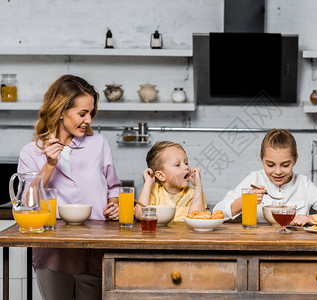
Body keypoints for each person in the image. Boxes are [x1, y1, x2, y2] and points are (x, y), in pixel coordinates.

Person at [18, 74, 121, 300]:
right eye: (82, 114)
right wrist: (49, 165)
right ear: (61, 111)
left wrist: (113, 204)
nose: (89, 120)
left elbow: (114, 187)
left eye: (91, 113)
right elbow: (28, 203)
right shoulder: (32, 152)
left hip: (95, 250)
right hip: (54, 254)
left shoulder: (99, 144)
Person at [214, 129, 317, 225]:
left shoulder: (303, 183)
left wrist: (312, 218)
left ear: (295, 160)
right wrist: (245, 200)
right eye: (270, 165)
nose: (277, 172)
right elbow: (218, 211)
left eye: (285, 165)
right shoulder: (254, 179)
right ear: (261, 159)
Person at [134, 141, 206, 221]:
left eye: (186, 163)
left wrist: (198, 187)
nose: (186, 167)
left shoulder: (194, 193)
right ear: (161, 175)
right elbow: (140, 215)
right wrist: (147, 183)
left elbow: (197, 218)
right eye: (177, 165)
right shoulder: (153, 191)